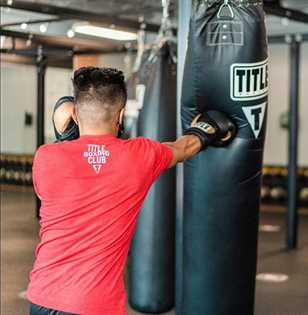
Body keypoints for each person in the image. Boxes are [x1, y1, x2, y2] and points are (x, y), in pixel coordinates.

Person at [27, 66, 236, 315]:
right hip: (94, 306)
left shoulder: (45, 158)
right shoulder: (140, 156)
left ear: (77, 114)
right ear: (122, 114)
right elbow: (184, 148)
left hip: (42, 297)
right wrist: (208, 127)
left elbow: (74, 158)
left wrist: (65, 134)